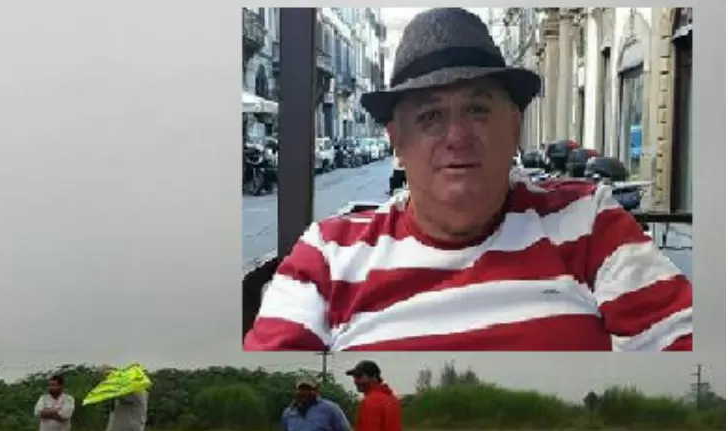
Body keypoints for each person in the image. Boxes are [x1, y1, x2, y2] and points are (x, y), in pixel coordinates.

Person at [243, 7, 691, 353]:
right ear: (398, 141)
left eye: (478, 109)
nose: (457, 137)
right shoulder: (326, 253)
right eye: (431, 115)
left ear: (514, 126)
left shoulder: (590, 221)